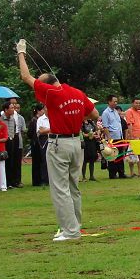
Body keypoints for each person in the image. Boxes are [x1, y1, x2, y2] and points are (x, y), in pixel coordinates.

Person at [18, 38, 98, 242]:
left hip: (59, 144)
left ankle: (70, 231)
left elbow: (26, 76)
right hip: (76, 143)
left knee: (60, 188)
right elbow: (95, 114)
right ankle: (74, 227)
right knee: (73, 187)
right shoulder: (78, 92)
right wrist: (78, 117)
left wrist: (21, 53)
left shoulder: (51, 93)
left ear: (45, 85)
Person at [1, 99, 26, 188]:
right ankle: (4, 182)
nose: (14, 108)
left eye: (15, 106)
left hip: (13, 140)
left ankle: (13, 181)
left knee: (13, 162)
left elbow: (19, 130)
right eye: (12, 107)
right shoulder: (1, 119)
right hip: (4, 141)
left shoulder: (15, 118)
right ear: (6, 109)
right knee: (5, 162)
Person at [101, 96, 126, 179]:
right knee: (112, 156)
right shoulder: (106, 113)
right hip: (112, 137)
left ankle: (121, 173)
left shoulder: (115, 111)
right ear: (109, 102)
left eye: (116, 101)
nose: (116, 103)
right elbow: (105, 127)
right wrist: (109, 139)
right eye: (114, 101)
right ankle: (112, 174)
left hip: (119, 136)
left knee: (120, 156)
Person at [124, 98, 140, 177]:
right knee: (132, 155)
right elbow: (129, 124)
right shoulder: (129, 111)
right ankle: (132, 172)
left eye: (139, 103)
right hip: (134, 136)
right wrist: (131, 136)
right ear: (132, 103)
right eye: (136, 103)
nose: (138, 104)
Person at [81, 115, 100, 181]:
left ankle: (91, 176)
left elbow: (96, 129)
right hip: (85, 143)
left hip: (92, 143)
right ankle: (83, 176)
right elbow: (81, 133)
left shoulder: (91, 122)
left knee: (92, 158)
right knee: (84, 160)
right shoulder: (81, 123)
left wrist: (95, 133)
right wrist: (89, 134)